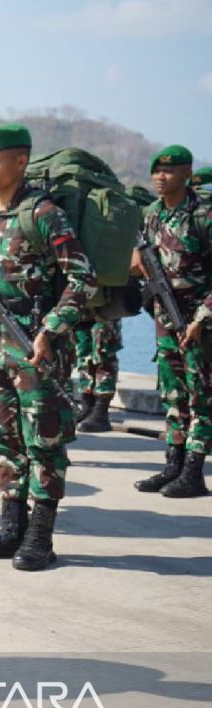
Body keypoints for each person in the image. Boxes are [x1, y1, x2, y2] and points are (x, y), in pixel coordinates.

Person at [0, 124, 98, 570]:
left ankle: (39, 537)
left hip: (36, 345)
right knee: (5, 438)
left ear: (21, 163)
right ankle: (12, 526)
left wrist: (50, 330)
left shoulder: (44, 213)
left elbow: (82, 279)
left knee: (44, 441)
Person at [131, 145, 212, 498]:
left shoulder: (204, 214)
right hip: (165, 316)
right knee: (172, 393)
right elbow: (144, 258)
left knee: (201, 396)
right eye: (156, 172)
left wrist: (202, 316)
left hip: (199, 320)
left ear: (187, 174)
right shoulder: (152, 213)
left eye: (169, 171)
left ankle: (194, 472)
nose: (160, 178)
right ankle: (173, 464)